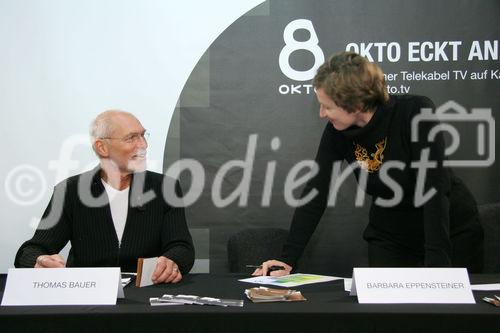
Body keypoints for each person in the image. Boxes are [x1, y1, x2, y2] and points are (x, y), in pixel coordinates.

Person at [253, 51, 484, 277]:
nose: (322, 114)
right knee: (387, 313)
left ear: (356, 105)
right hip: (391, 236)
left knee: (449, 312)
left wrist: (438, 269)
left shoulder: (414, 112)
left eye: (328, 106)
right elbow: (316, 192)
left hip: (449, 233)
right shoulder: (337, 132)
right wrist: (287, 259)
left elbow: (434, 191)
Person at [15, 110, 195, 284]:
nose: (143, 145)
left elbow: (182, 248)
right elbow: (31, 250)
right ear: (102, 147)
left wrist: (172, 261)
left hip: (145, 294)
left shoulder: (165, 188)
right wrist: (38, 261)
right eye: (131, 138)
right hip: (87, 296)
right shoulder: (70, 191)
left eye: (143, 135)